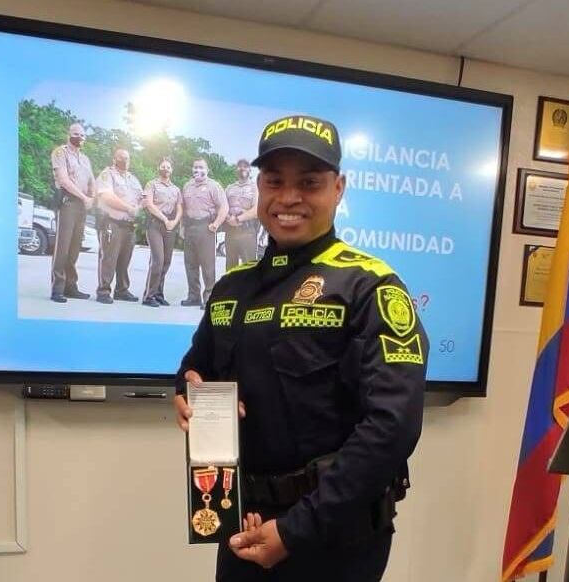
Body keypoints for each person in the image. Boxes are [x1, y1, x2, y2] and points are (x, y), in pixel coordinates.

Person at [173, 115, 428, 581]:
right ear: (259, 187)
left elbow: (393, 426)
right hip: (244, 522)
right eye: (275, 181)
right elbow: (197, 366)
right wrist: (187, 389)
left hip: (333, 534)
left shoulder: (369, 285)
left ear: (338, 188)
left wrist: (295, 531)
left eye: (309, 183)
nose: (289, 197)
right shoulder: (231, 287)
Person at [49, 123, 95, 303]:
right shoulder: (60, 153)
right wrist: (84, 197)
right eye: (76, 134)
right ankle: (57, 289)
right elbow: (63, 180)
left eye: (82, 135)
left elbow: (91, 181)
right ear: (69, 134)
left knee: (75, 248)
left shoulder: (85, 159)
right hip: (68, 202)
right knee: (63, 247)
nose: (80, 137)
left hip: (82, 206)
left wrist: (92, 197)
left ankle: (70, 286)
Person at [95, 148, 143, 303]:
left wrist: (139, 208)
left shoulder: (133, 179)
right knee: (108, 258)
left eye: (127, 158)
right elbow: (107, 197)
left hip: (129, 225)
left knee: (124, 260)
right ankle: (103, 291)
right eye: (121, 157)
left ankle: (121, 290)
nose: (125, 160)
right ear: (114, 159)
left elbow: (142, 198)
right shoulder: (107, 174)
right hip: (112, 222)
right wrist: (129, 208)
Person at [180, 159, 227, 307]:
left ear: (207, 170)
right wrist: (182, 226)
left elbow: (224, 207)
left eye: (201, 167)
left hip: (206, 227)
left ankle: (208, 297)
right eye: (195, 167)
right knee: (190, 264)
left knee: (207, 265)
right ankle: (193, 296)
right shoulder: (187, 186)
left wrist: (216, 224)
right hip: (190, 227)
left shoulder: (214, 186)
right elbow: (183, 208)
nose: (197, 170)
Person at [142, 158, 183, 307]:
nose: (166, 169)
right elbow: (149, 204)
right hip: (155, 224)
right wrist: (165, 219)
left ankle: (158, 294)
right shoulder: (152, 184)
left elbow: (179, 207)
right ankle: (149, 296)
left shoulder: (176, 189)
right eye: (163, 166)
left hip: (170, 226)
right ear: (158, 168)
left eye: (168, 167)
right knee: (157, 260)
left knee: (166, 261)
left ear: (172, 170)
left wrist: (174, 221)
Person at [223, 159, 259, 270]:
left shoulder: (255, 188)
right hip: (231, 231)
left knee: (248, 268)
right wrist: (229, 218)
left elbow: (256, 210)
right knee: (230, 268)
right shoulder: (229, 188)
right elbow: (222, 207)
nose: (242, 168)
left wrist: (238, 219)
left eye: (245, 166)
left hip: (247, 232)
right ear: (236, 169)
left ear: (249, 170)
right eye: (239, 166)